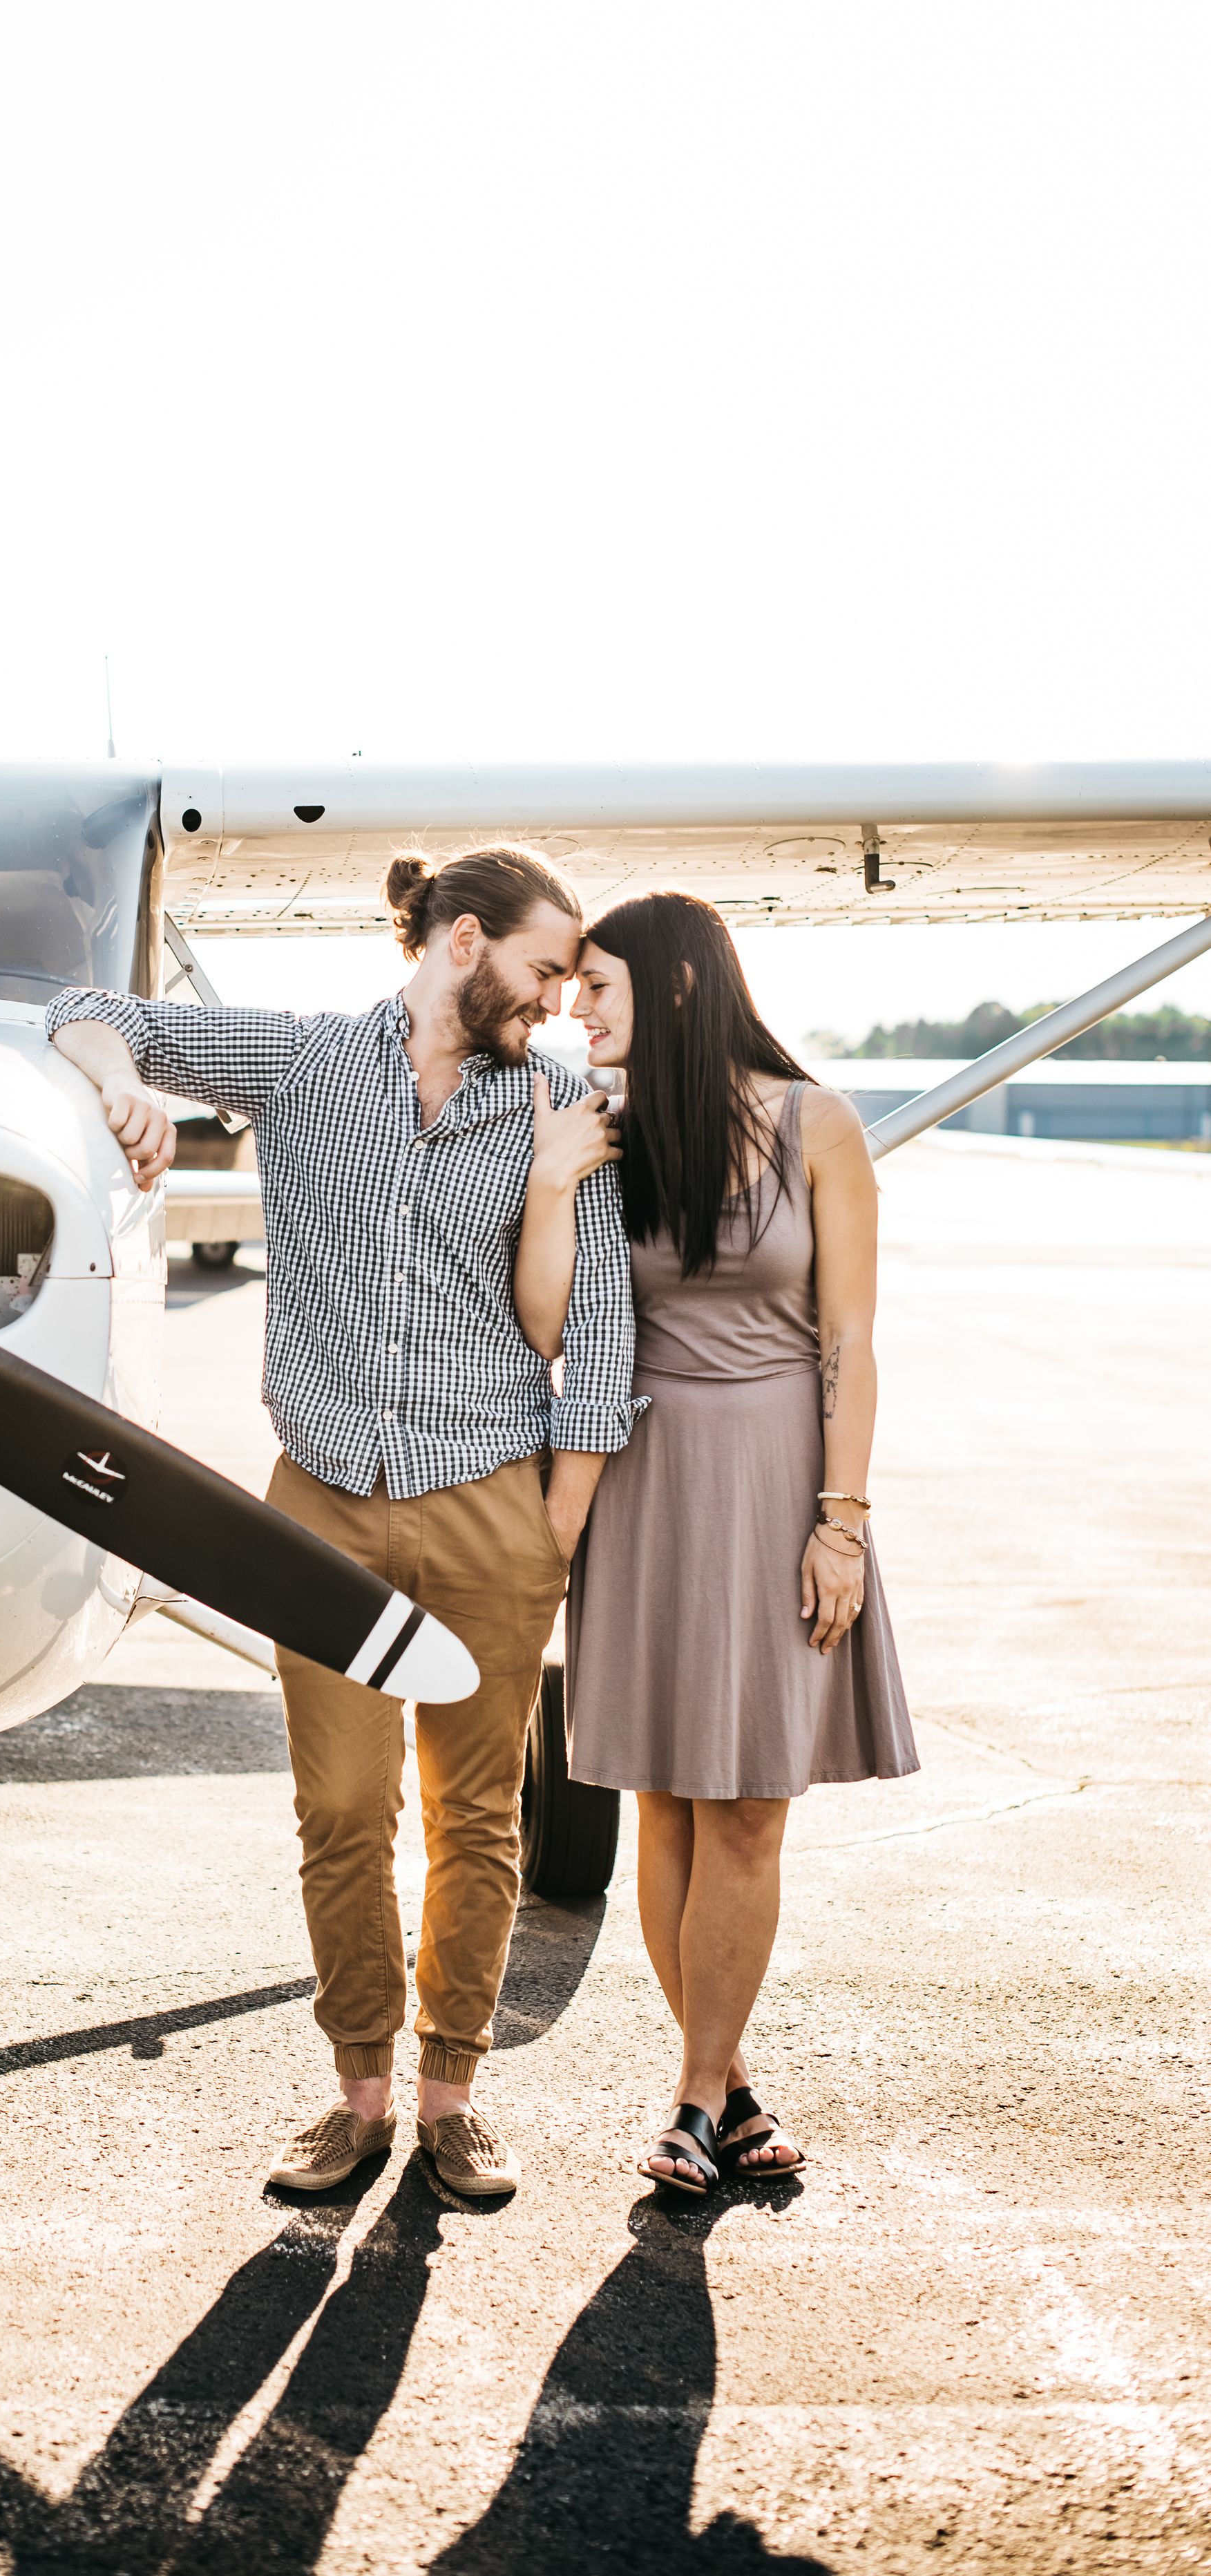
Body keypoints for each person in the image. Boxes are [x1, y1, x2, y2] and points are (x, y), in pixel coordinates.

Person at [46, 846, 633, 2198]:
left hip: (494, 1502)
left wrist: (556, 1522)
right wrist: (121, 1082)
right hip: (318, 1509)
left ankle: (449, 2099)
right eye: (545, 969)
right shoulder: (302, 1062)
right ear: (463, 941)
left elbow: (597, 1321)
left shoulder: (556, 1100)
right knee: (343, 1808)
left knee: (476, 1817)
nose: (557, 1002)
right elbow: (90, 1010)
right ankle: (357, 2091)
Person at [513, 890, 914, 2195]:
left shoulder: (819, 1124)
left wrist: (840, 1523)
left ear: (678, 992)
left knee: (749, 1806)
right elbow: (548, 1323)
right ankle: (726, 2088)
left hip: (779, 1478)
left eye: (600, 990)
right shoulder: (610, 1133)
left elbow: (849, 1340)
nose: (576, 1011)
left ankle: (692, 2094)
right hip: (645, 1483)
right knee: (670, 1804)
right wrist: (555, 1180)